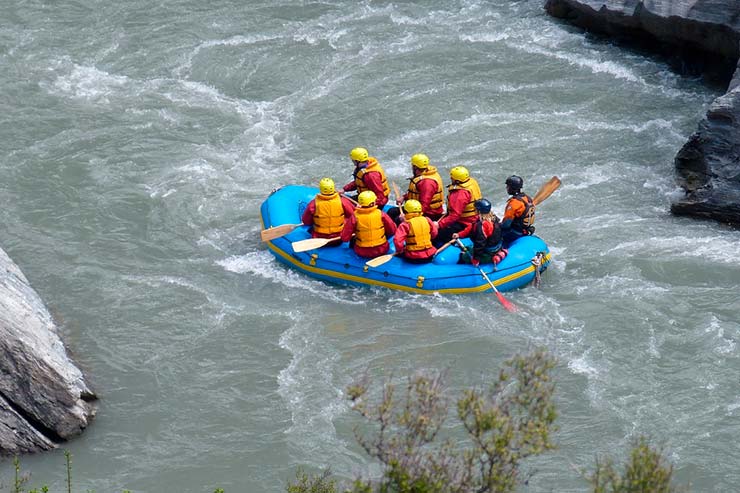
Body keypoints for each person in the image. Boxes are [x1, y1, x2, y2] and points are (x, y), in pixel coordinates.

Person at [389, 153, 445, 224]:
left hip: (429, 213)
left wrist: (407, 217)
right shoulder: (424, 175)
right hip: (416, 208)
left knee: (398, 220)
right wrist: (404, 197)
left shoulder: (427, 183)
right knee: (392, 211)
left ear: (415, 167)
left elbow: (424, 206)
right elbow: (417, 193)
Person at [434, 166, 482, 247]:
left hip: (464, 223)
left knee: (437, 234)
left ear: (457, 180)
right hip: (475, 218)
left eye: (452, 178)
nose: (451, 179)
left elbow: (454, 216)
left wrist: (439, 225)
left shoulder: (460, 194)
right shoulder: (472, 182)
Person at [340, 190, 396, 258]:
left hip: (362, 251)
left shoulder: (355, 216)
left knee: (353, 240)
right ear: (372, 203)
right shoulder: (381, 214)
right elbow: (392, 230)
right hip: (382, 249)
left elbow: (344, 238)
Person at [458, 199, 508, 266]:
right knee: (468, 248)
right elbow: (471, 227)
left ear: (478, 211)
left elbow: (480, 243)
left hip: (488, 253)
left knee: (463, 256)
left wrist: (476, 259)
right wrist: (459, 234)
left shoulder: (482, 225)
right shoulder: (494, 218)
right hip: (497, 247)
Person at [500, 175, 535, 245]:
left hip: (515, 232)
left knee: (495, 234)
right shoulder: (528, 198)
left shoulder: (514, 203)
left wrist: (497, 225)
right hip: (526, 229)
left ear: (512, 188)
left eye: (508, 186)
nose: (507, 188)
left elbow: (506, 225)